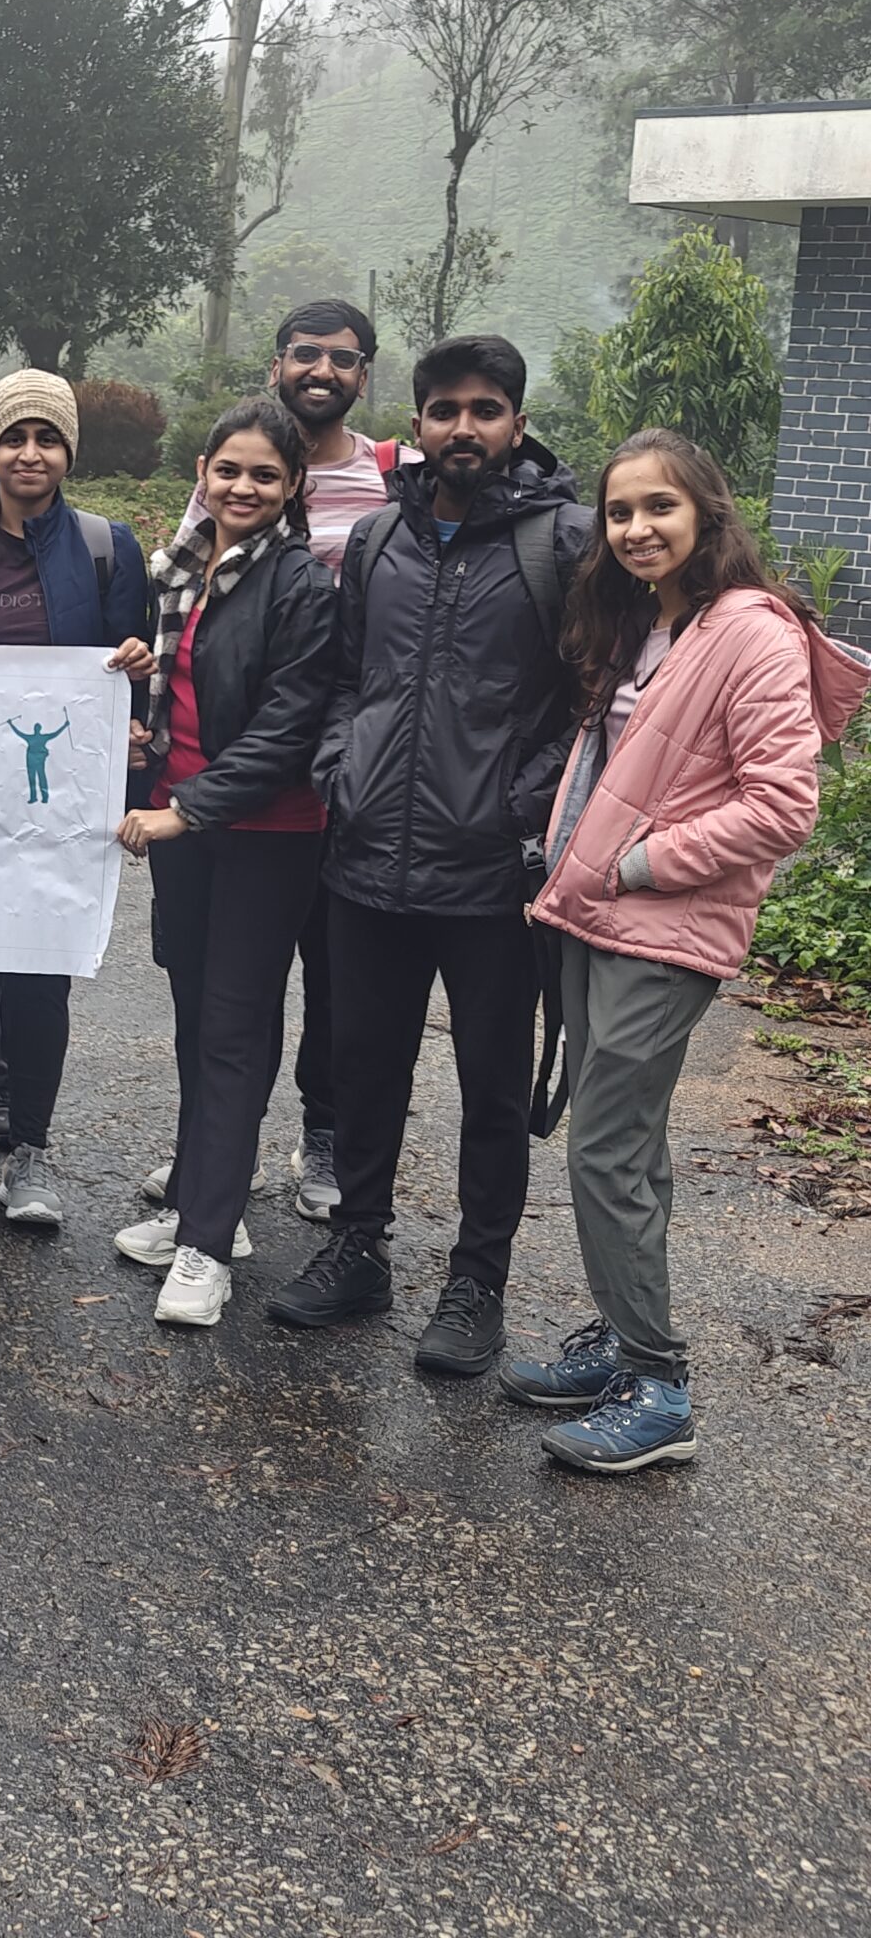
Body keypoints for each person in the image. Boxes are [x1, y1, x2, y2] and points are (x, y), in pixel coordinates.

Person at [510, 431, 867, 1470]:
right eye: (619, 513)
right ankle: (623, 1342)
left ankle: (659, 1388)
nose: (636, 529)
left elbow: (783, 806)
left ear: (708, 512)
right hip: (593, 911)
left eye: (658, 507)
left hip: (661, 925)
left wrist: (641, 864)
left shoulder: (751, 632)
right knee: (623, 1147)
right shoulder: (647, 623)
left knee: (606, 1150)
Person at [268, 334, 595, 1374]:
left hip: (492, 870)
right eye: (446, 409)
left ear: (516, 423)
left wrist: (523, 803)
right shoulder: (378, 542)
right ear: (414, 425)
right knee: (366, 1067)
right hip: (367, 857)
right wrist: (340, 766)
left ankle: (476, 1283)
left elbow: (591, 699)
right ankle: (356, 1247)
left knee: (494, 1084)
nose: (464, 427)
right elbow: (348, 674)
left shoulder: (565, 545)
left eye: (486, 409)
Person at [159, 300, 397, 1224]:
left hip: (337, 764)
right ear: (279, 361)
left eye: (342, 358)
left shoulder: (393, 477)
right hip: (229, 768)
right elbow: (188, 599)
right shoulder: (229, 477)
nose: (322, 369)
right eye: (306, 352)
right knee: (230, 998)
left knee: (328, 977)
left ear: (363, 375)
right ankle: (221, 1156)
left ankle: (322, 1134)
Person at [0, 368, 150, 1232]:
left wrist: (133, 691)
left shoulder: (107, 547)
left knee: (43, 982)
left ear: (69, 450)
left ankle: (32, 1155)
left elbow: (130, 671)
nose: (30, 454)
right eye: (14, 437)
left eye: (48, 438)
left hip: (61, 812)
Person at [110, 401, 339, 1328]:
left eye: (266, 477)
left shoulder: (301, 586)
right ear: (203, 470)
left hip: (265, 837)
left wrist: (187, 810)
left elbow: (290, 728)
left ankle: (207, 1247)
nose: (243, 489)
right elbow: (178, 700)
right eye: (230, 471)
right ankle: (201, 1201)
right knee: (195, 1015)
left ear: (293, 490)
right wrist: (134, 709)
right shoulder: (177, 573)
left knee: (236, 1029)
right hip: (186, 831)